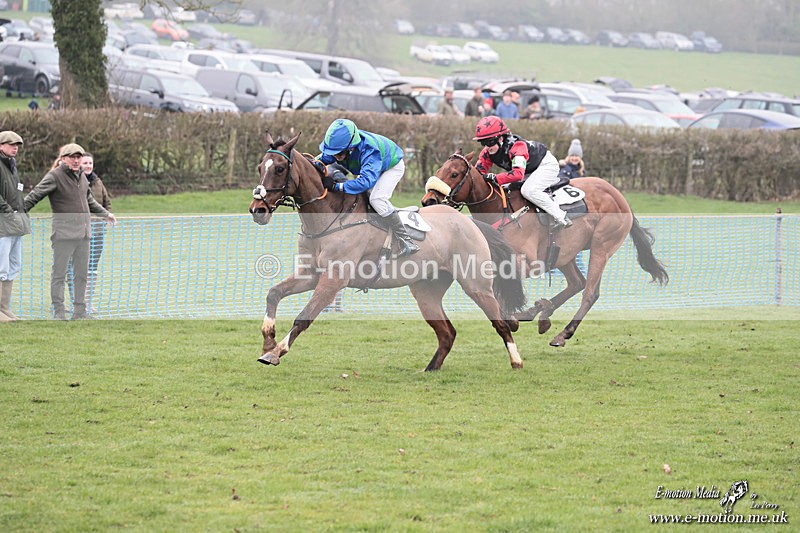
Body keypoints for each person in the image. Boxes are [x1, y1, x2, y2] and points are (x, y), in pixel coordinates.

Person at [23, 143, 116, 320]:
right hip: (64, 234)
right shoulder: (54, 176)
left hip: (84, 234)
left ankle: (80, 311)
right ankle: (58, 311)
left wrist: (106, 214)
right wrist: (17, 212)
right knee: (59, 274)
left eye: (78, 157)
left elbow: (89, 201)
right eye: (72, 157)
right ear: (63, 158)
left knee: (82, 274)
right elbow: (35, 195)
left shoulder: (82, 177)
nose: (76, 160)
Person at [317, 118, 419, 256]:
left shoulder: (370, 150)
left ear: (351, 147)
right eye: (333, 152)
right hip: (370, 168)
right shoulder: (342, 147)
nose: (335, 156)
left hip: (391, 167)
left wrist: (337, 186)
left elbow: (365, 182)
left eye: (339, 152)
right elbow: (321, 159)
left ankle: (406, 239)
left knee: (376, 199)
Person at [473, 116, 572, 229]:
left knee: (528, 190)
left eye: (489, 142)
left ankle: (561, 217)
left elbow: (517, 174)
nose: (486, 147)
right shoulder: (487, 152)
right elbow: (477, 174)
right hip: (527, 170)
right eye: (483, 143)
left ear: (500, 139)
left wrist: (494, 177)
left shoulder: (517, 146)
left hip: (545, 165)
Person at [0, 131, 30, 323]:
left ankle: (4, 307)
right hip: (3, 225)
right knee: (1, 267)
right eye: (11, 144)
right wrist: (10, 212)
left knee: (13, 266)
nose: (15, 147)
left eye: (17, 144)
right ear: (1, 146)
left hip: (15, 225)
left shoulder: (12, 166)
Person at [81, 153, 112, 314]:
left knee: (92, 267)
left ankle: (88, 301)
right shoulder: (75, 181)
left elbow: (106, 201)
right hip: (81, 232)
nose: (87, 165)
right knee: (79, 267)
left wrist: (107, 215)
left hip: (98, 231)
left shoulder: (98, 182)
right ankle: (77, 301)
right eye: (85, 162)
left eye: (90, 163)